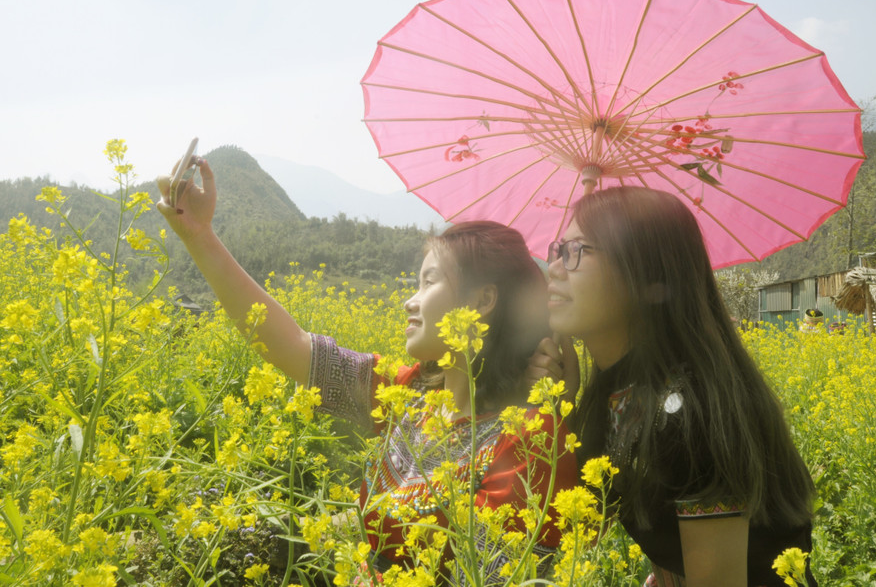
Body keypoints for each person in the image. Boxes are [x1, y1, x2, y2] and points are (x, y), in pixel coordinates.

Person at [156, 159, 577, 582]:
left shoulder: (527, 444)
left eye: (429, 283)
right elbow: (292, 346)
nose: (410, 301)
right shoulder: (409, 394)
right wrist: (199, 236)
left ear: (484, 299)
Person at [537, 186, 818, 587]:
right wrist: (556, 407)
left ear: (644, 269)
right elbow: (575, 527)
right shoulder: (616, 396)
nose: (555, 268)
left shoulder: (691, 412)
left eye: (576, 250)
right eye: (556, 250)